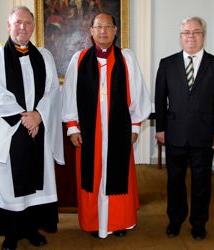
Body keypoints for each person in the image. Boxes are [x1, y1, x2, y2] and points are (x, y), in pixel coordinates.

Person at [0, 6, 64, 250]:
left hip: (37, 127)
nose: (23, 27)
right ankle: (11, 234)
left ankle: (31, 229)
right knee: (10, 184)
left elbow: (52, 92)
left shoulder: (44, 56)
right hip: (10, 129)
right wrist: (23, 117)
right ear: (9, 25)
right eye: (18, 22)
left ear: (33, 27)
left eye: (28, 23)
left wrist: (39, 116)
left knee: (35, 183)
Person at [62, 12, 151, 238]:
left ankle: (119, 222)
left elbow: (138, 93)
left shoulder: (126, 58)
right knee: (93, 176)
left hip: (118, 129)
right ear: (91, 31)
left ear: (115, 31)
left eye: (108, 26)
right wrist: (73, 126)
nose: (103, 31)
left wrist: (134, 126)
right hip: (90, 132)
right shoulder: (79, 60)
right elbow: (70, 95)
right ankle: (94, 223)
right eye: (98, 27)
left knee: (118, 173)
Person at [155, 16, 214, 240]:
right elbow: (160, 100)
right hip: (174, 134)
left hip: (204, 136)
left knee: (202, 184)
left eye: (196, 32)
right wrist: (160, 128)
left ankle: (199, 224)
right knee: (174, 182)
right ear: (180, 37)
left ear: (203, 35)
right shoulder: (167, 64)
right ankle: (175, 220)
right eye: (186, 32)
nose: (190, 36)